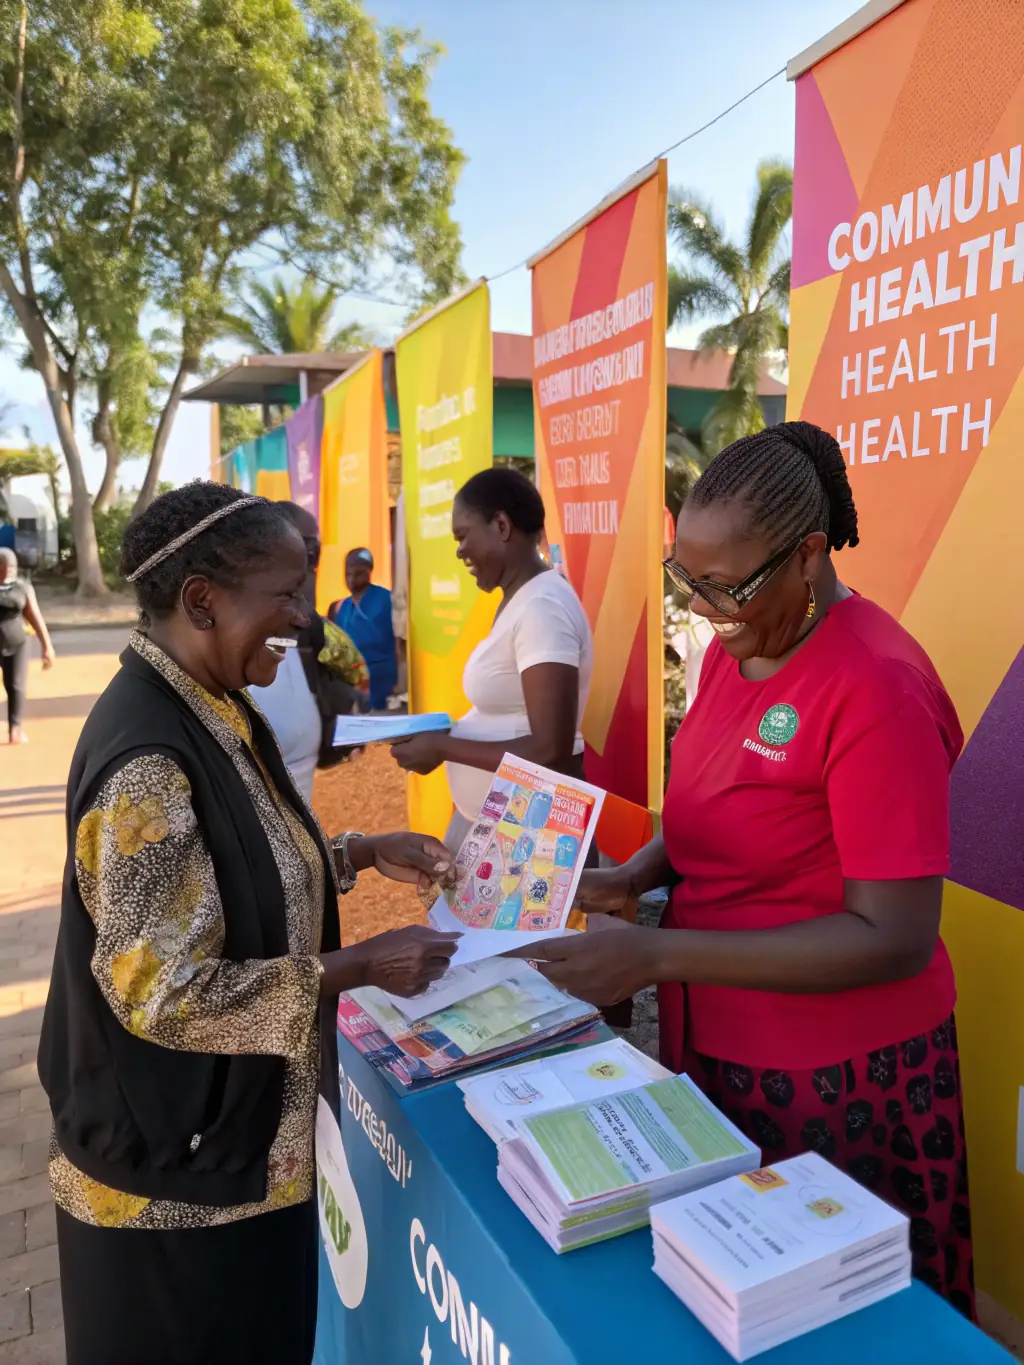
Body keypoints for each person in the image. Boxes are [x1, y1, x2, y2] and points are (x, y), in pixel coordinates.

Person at [528, 422, 974, 1317]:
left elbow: (892, 935)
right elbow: (723, 806)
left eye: (722, 585)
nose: (700, 607)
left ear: (808, 555)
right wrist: (638, 876)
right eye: (684, 579)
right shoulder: (744, 645)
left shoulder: (875, 685)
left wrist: (657, 957)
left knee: (832, 1321)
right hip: (723, 1045)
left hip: (840, 1078)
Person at [39, 483, 460, 1365]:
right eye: (286, 593)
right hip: (174, 1196)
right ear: (202, 599)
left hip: (225, 1161)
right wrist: (362, 965)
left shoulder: (208, 703)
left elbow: (232, 865)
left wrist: (355, 850)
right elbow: (165, 996)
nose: (305, 619)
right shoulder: (148, 760)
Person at [389, 467, 594, 854]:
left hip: (530, 837)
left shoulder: (542, 607)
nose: (459, 551)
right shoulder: (521, 599)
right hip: (504, 825)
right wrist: (452, 735)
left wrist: (444, 748)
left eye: (463, 536)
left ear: (501, 525)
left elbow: (551, 749)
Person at [249, 502, 369, 802]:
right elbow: (354, 665)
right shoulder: (221, 649)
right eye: (310, 550)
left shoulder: (311, 629)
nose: (310, 568)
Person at [328, 548, 397, 710]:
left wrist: (401, 682)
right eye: (348, 574)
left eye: (358, 574)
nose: (352, 579)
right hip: (354, 683)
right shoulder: (343, 608)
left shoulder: (386, 599)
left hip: (383, 681)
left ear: (369, 572)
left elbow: (401, 643)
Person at [0, 545, 55, 743]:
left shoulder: (22, 587)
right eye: (4, 566)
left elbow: (35, 617)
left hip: (17, 642)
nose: (8, 571)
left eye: (11, 567)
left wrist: (47, 646)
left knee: (15, 685)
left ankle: (15, 729)